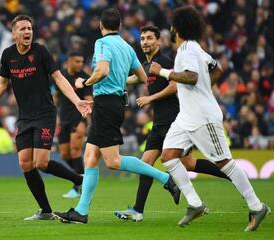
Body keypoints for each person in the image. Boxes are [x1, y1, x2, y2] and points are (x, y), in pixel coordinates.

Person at [53, 8, 180, 224]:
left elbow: (102, 70)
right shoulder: (127, 46)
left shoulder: (102, 43)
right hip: (112, 103)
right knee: (90, 157)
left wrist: (84, 82)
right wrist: (119, 81)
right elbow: (142, 76)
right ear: (119, 26)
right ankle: (81, 212)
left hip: (107, 105)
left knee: (112, 161)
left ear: (101, 26)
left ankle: (165, 179)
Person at [149, 6, 270, 231]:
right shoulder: (194, 49)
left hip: (203, 117)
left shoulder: (187, 50)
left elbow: (192, 77)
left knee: (225, 163)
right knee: (168, 156)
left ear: (178, 28)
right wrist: (205, 89)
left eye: (173, 26)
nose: (171, 29)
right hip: (186, 117)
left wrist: (162, 72)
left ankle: (257, 206)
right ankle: (195, 204)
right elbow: (218, 69)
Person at [0, 15, 92, 221]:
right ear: (14, 34)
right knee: (25, 164)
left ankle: (80, 179)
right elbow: (1, 85)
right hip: (25, 117)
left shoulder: (41, 51)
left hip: (45, 114)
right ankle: (46, 211)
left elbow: (58, 78)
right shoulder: (8, 55)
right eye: (22, 29)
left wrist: (77, 101)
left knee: (41, 162)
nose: (27, 32)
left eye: (29, 28)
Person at [114, 25, 231, 222]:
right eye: (142, 38)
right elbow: (137, 77)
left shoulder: (165, 61)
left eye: (150, 38)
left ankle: (232, 175)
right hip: (158, 123)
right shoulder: (147, 63)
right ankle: (137, 210)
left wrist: (151, 99)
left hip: (173, 121)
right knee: (146, 164)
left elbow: (174, 85)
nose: (145, 42)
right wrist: (117, 80)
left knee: (189, 164)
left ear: (159, 41)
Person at [54, 51, 93, 198]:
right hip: (64, 119)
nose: (80, 64)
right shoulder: (60, 76)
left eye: (82, 61)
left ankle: (79, 186)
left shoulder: (85, 79)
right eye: (77, 61)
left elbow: (89, 100)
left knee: (75, 150)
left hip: (79, 119)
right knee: (65, 154)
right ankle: (81, 179)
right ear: (69, 61)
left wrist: (88, 121)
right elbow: (57, 96)